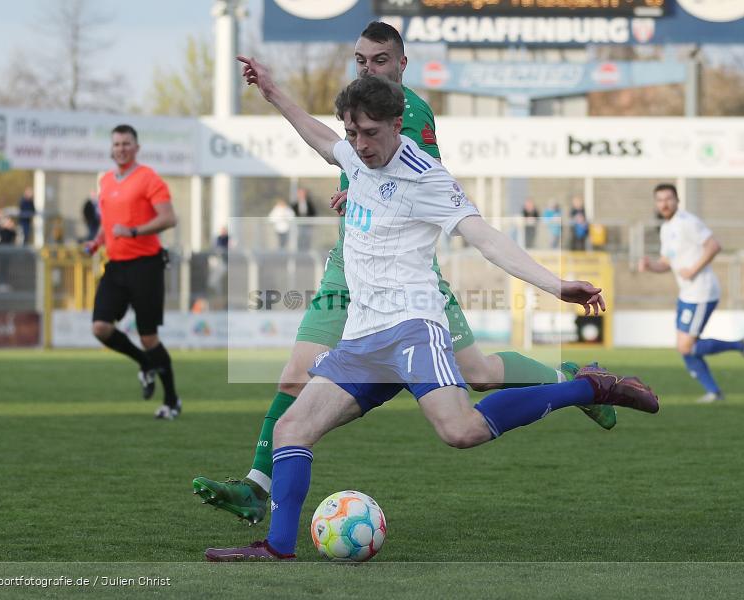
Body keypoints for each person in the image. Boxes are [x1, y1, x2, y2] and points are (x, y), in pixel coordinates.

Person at [203, 63, 659, 562]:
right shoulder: (355, 158)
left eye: (371, 134)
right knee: (291, 428)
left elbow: (485, 238)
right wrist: (274, 93)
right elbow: (318, 136)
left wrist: (555, 284)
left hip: (412, 331)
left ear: (398, 125)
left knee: (460, 431)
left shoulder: (428, 177)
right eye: (353, 133)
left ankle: (590, 387)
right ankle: (277, 547)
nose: (359, 145)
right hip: (361, 340)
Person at [85, 124, 181, 419]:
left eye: (126, 143)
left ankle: (172, 401)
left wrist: (134, 231)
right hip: (115, 265)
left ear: (136, 147)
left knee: (148, 336)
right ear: (111, 148)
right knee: (100, 327)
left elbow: (169, 218)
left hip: (146, 265)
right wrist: (97, 240)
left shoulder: (149, 178)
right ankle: (145, 363)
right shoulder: (105, 181)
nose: (121, 148)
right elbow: (109, 221)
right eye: (116, 144)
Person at [639, 183, 744, 403]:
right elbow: (666, 262)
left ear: (677, 200)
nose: (664, 203)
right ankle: (714, 392)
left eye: (668, 199)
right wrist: (650, 265)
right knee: (684, 348)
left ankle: (741, 345)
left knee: (686, 346)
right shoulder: (666, 229)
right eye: (660, 200)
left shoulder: (688, 222)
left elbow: (713, 246)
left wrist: (693, 269)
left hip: (702, 291)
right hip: (687, 294)